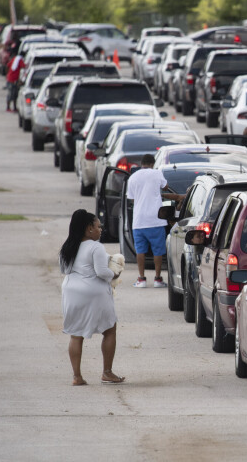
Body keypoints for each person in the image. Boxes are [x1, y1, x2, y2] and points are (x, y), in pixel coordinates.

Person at [59, 209, 125, 386]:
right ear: (89, 229)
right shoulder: (95, 246)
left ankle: (77, 376)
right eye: (98, 226)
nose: (101, 229)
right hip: (93, 292)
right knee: (110, 329)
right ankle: (107, 372)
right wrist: (115, 274)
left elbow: (64, 270)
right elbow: (102, 272)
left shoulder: (68, 246)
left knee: (75, 334)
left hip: (71, 291)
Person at [126, 154, 184, 288]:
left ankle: (141, 279)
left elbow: (132, 199)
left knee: (140, 251)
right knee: (158, 251)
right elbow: (165, 186)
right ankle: (158, 279)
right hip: (156, 219)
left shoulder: (133, 177)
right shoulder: (157, 173)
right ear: (152, 163)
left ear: (142, 163)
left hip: (139, 221)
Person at [5, 47, 24, 112]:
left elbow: (7, 66)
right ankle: (9, 107)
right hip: (13, 80)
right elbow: (23, 67)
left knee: (13, 94)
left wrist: (7, 74)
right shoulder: (20, 60)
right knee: (12, 94)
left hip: (10, 79)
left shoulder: (14, 59)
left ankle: (13, 108)